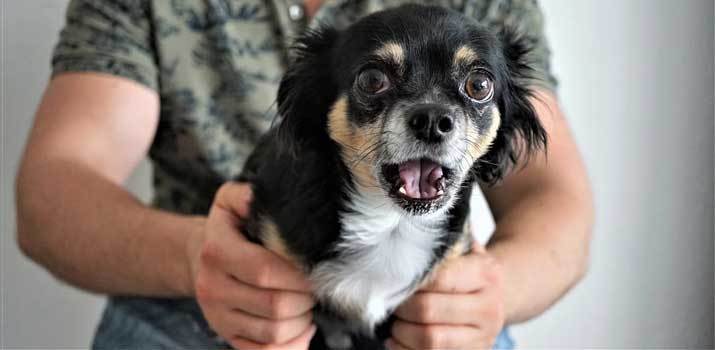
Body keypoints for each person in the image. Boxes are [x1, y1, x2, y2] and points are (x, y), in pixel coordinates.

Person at [15, 0, 593, 349]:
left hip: (438, 314)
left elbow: (554, 195)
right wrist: (194, 258)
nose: (437, 117)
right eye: (374, 82)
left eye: (473, 90)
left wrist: (498, 289)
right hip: (198, 293)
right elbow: (52, 192)